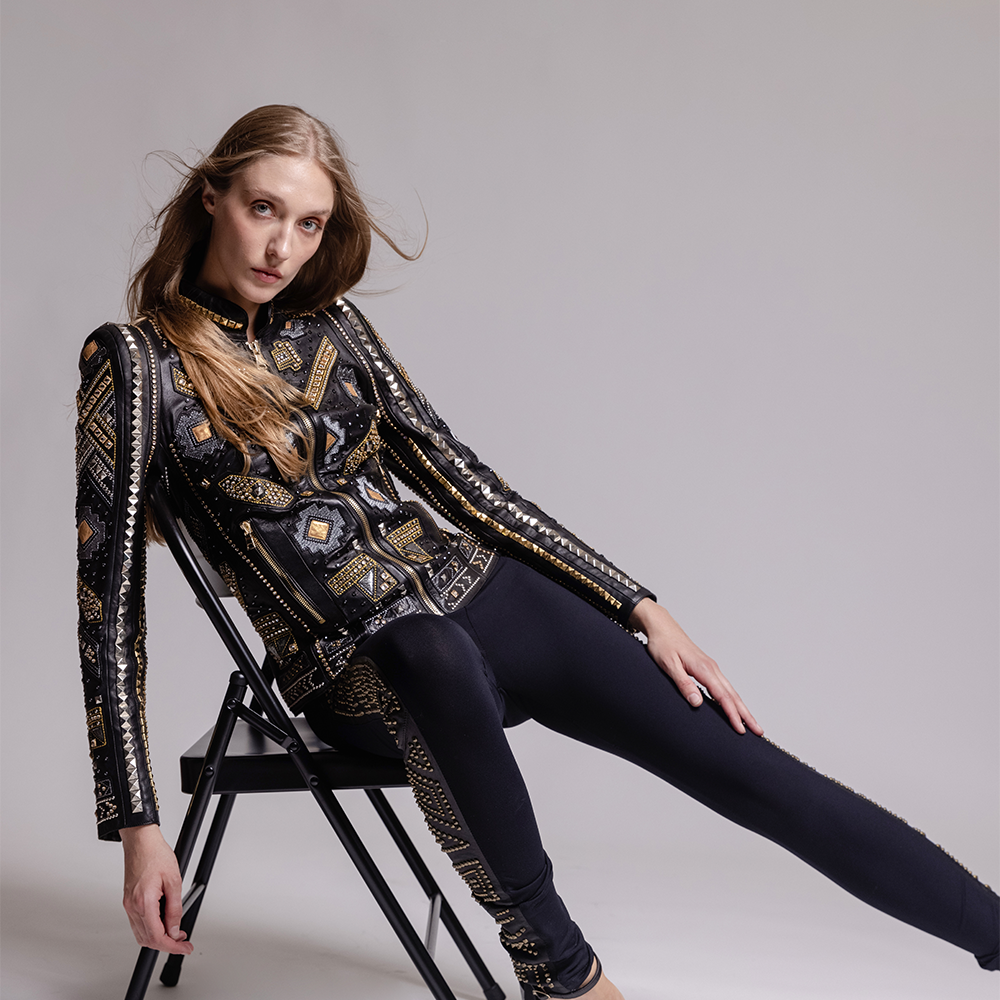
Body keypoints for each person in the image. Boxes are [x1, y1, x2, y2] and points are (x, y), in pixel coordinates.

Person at [76, 104, 998, 1000]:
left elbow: (470, 489)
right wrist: (137, 824)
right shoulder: (133, 364)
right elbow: (108, 609)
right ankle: (561, 973)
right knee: (427, 648)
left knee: (751, 768)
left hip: (480, 596)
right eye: (264, 210)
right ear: (213, 198)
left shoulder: (338, 331)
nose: (283, 249)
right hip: (351, 664)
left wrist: (640, 606)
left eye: (309, 224)